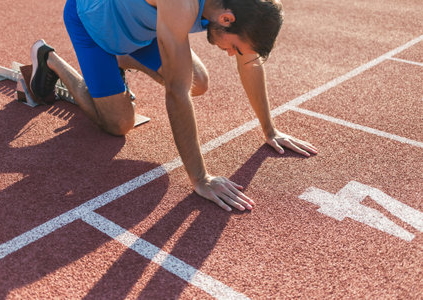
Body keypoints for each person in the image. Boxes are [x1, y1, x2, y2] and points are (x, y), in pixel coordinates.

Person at [30, 0, 318, 212]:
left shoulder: (241, 7)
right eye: (235, 47)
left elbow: (249, 62)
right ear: (227, 19)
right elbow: (176, 93)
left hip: (145, 30)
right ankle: (51, 60)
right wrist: (200, 178)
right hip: (95, 25)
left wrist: (270, 129)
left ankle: (122, 61)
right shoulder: (181, 4)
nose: (232, 54)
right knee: (118, 124)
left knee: (198, 82)